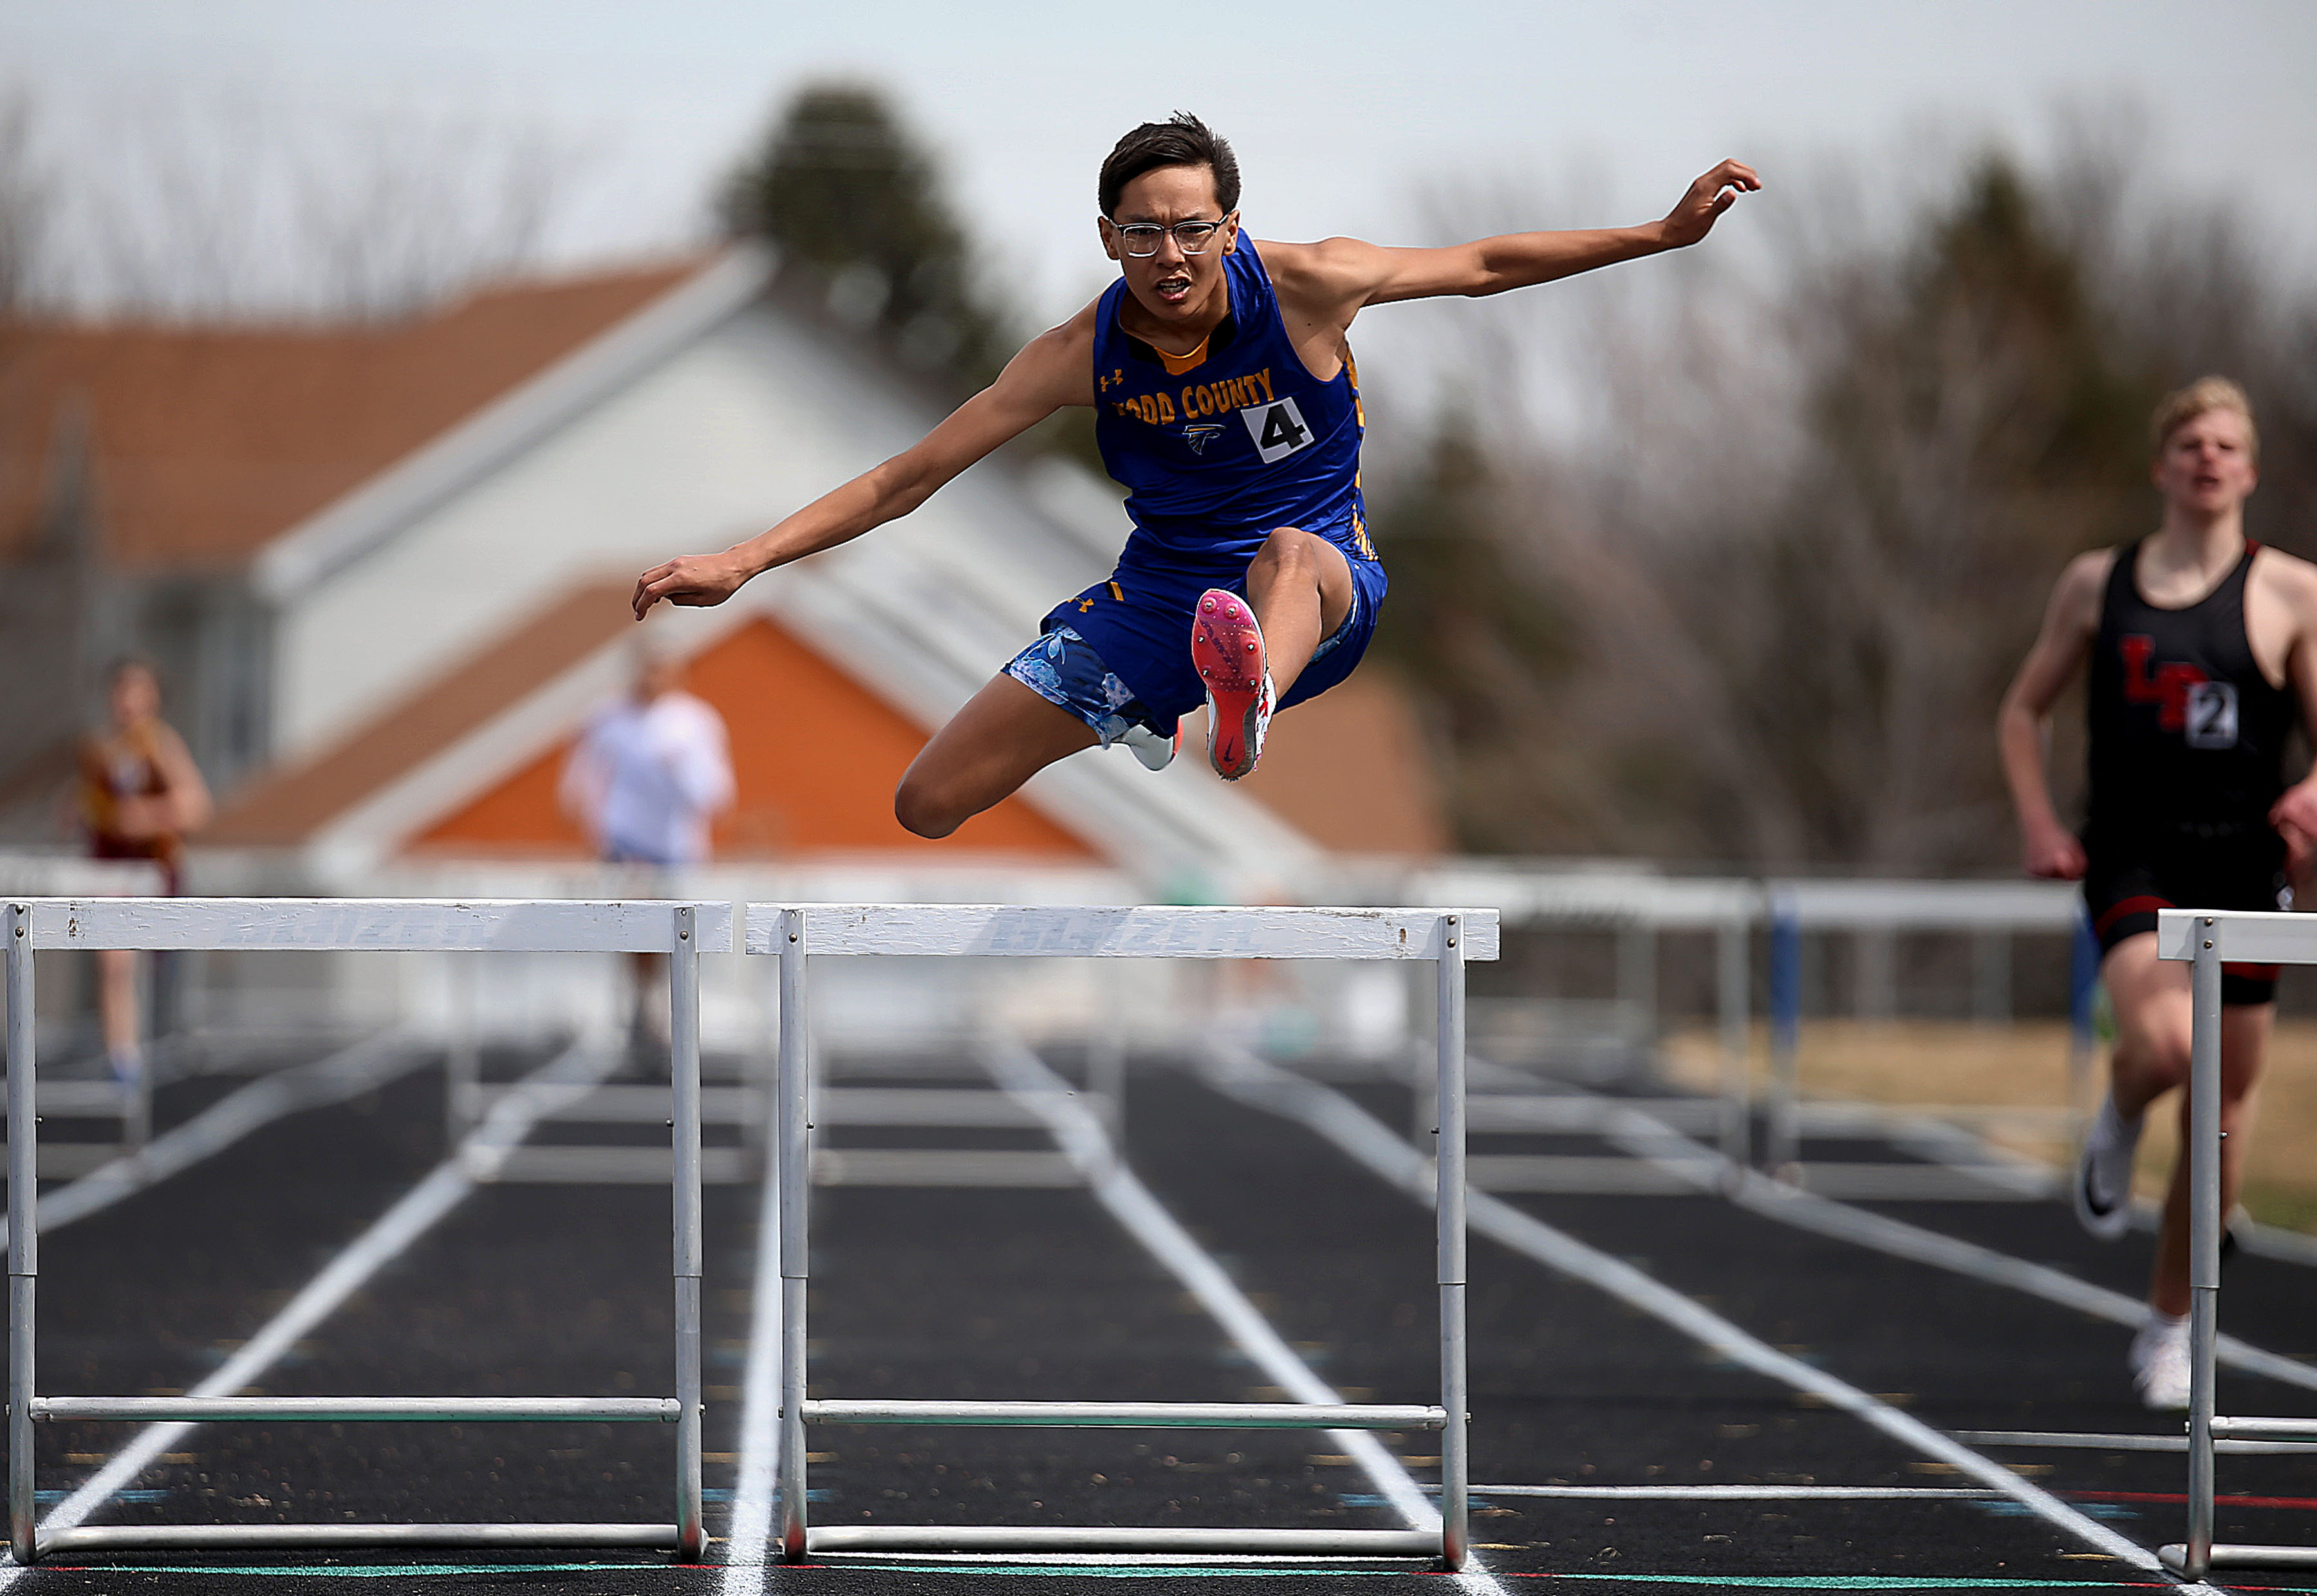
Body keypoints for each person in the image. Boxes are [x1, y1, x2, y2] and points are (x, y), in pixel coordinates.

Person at [635, 114, 1758, 833]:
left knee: (1281, 555)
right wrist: (746, 560)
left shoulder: (1312, 284)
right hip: (1159, 601)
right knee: (927, 802)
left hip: (1314, 588)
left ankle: (1242, 701)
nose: (1167, 257)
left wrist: (1658, 236)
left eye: (1190, 230)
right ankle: (1180, 697)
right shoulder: (1079, 354)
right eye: (1141, 236)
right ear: (1109, 238)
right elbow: (907, 477)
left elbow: (1480, 265)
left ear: (1229, 229)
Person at [1997, 377, 2317, 1409]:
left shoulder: (2294, 594)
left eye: (2227, 443)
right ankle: (2125, 1104)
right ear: (2162, 465)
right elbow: (2021, 711)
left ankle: (2171, 1321)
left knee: (2222, 1116)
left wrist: (2311, 796)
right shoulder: (2100, 583)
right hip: (2133, 855)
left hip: (2247, 868)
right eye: (2190, 442)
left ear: (2251, 469)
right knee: (2182, 1049)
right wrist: (2043, 824)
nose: (2209, 457)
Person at [559, 642, 735, 1058]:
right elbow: (581, 778)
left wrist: (681, 768)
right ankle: (641, 1009)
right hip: (624, 844)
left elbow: (715, 793)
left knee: (677, 934)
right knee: (632, 928)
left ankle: (672, 1014)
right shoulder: (606, 718)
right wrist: (592, 828)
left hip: (677, 848)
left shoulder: (695, 722)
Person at [75, 657, 211, 1088]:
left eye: (136, 694)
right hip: (113, 871)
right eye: (121, 693)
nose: (127, 704)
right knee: (114, 961)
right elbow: (89, 806)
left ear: (150, 698)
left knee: (156, 963)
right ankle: (123, 1058)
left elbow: (196, 806)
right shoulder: (102, 749)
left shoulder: (162, 746)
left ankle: (166, 1038)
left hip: (154, 870)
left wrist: (147, 816)